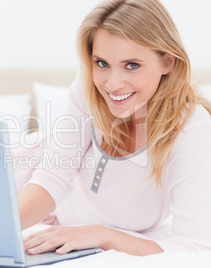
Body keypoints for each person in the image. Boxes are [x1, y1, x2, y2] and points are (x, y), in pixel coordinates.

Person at [16, 0, 211, 256]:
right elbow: (52, 177)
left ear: (168, 62)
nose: (113, 84)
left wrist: (100, 234)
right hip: (19, 177)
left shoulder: (192, 129)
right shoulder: (88, 87)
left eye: (132, 65)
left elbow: (196, 247)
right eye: (102, 63)